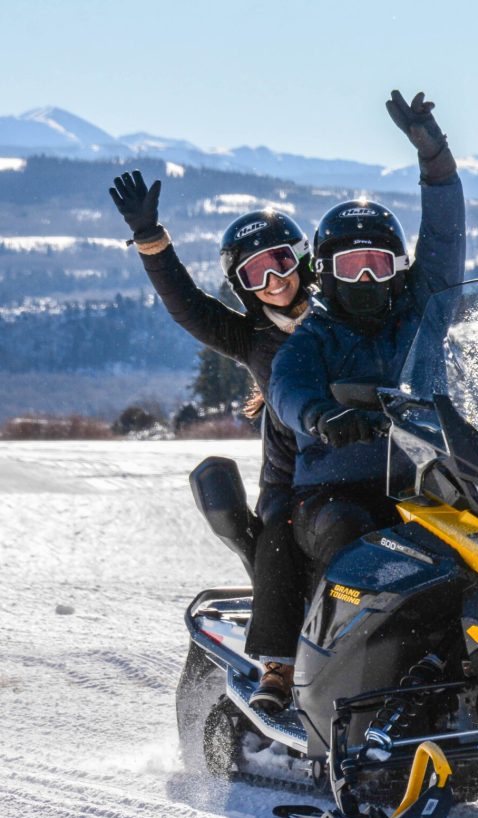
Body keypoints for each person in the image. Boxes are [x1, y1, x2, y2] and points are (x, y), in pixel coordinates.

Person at [108, 174, 311, 712]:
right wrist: (152, 239)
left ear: (302, 260)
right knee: (278, 535)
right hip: (295, 477)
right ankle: (279, 666)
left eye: (280, 262)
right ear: (241, 284)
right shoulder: (251, 336)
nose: (273, 280)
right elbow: (188, 307)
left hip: (375, 462)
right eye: (255, 272)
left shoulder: (344, 315)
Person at [270, 90, 465, 576]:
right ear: (327, 274)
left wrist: (434, 158)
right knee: (353, 539)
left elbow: (444, 238)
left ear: (399, 268)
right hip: (333, 494)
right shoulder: (312, 339)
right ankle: (334, 651)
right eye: (351, 265)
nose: (365, 280)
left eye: (376, 264)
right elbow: (287, 389)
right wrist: (322, 417)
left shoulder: (424, 313)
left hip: (427, 483)